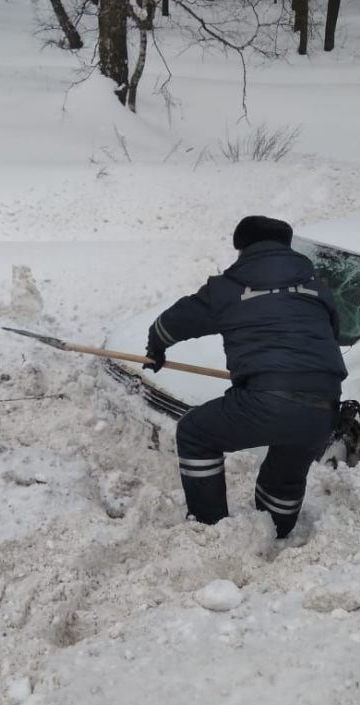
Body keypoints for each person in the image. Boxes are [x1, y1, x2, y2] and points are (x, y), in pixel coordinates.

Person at [144, 216, 347, 538]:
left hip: (266, 398)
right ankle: (276, 534)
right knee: (285, 472)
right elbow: (330, 335)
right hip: (324, 405)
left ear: (242, 248)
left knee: (196, 434)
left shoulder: (229, 288)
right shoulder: (316, 288)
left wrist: (155, 348)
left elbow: (175, 321)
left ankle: (210, 529)